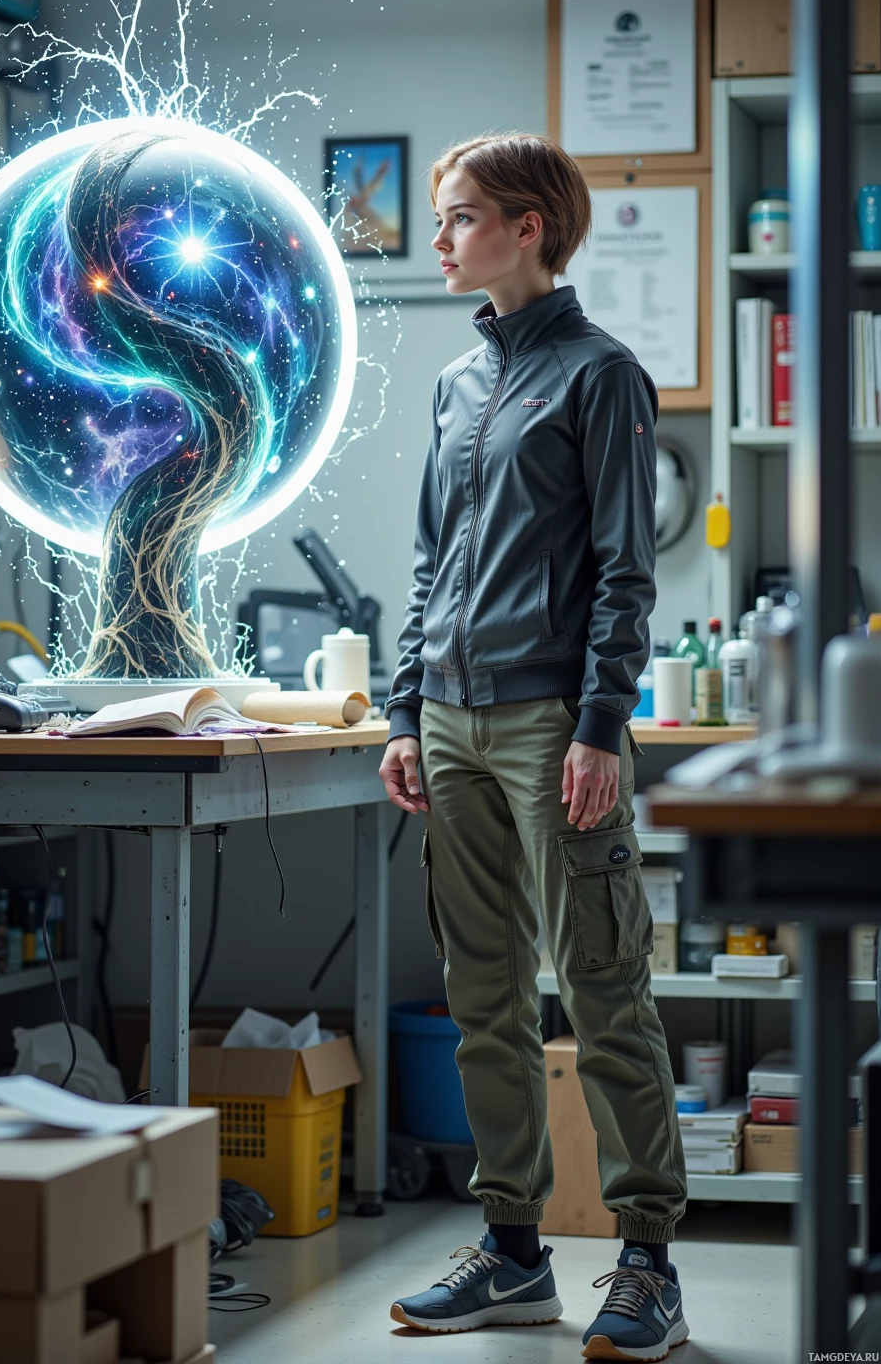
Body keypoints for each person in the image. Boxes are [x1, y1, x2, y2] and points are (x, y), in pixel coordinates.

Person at [379, 132, 688, 1363]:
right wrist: (405, 712)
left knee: (603, 988)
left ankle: (648, 1263)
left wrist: (602, 723)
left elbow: (626, 567)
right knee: (483, 997)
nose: (441, 237)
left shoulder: (599, 376)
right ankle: (513, 1253)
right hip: (448, 720)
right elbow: (429, 566)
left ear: (527, 227)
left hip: (553, 722)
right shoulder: (458, 386)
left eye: (458, 217)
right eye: (445, 217)